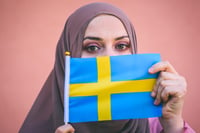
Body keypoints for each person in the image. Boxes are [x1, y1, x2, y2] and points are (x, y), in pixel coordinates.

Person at [19, 2, 195, 133]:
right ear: (68, 53)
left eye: (121, 46)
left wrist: (174, 123)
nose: (109, 58)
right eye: (92, 47)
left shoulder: (157, 125)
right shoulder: (39, 128)